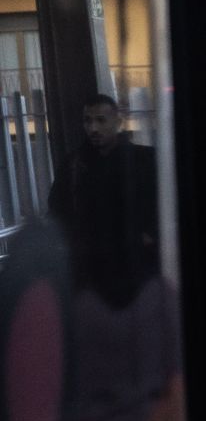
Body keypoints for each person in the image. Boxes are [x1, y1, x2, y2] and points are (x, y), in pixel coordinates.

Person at [48, 92, 160, 306]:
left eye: (100, 120)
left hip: (129, 265)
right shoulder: (75, 165)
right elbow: (58, 209)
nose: (93, 128)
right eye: (88, 121)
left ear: (117, 122)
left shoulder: (77, 165)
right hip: (98, 267)